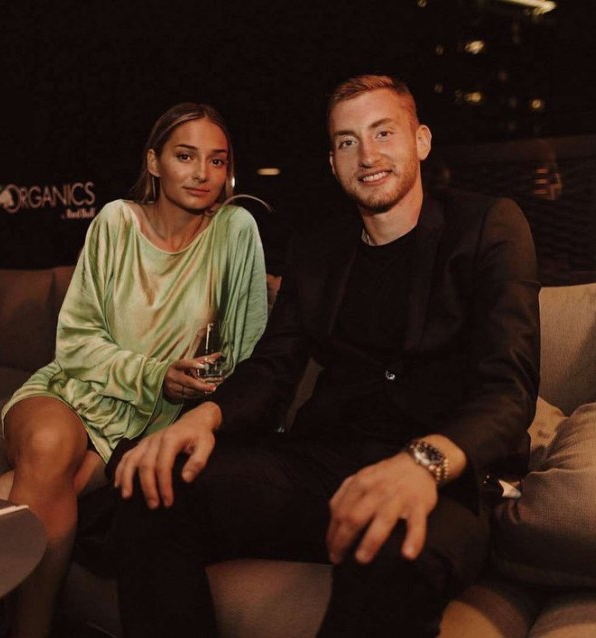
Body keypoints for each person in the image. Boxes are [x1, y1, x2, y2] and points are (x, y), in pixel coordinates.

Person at [109, 75, 540, 636]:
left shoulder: (487, 226)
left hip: (441, 477)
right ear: (333, 162)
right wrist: (202, 420)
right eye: (346, 141)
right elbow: (274, 366)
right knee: (152, 485)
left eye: (383, 132)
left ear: (422, 141)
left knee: (386, 551)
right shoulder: (317, 247)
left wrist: (421, 464)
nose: (367, 155)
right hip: (324, 466)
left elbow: (508, 390)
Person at [0, 102, 269, 635]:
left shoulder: (236, 230)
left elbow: (249, 353)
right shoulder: (116, 220)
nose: (202, 173)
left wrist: (203, 391)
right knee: (46, 448)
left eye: (216, 160)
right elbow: (74, 342)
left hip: (150, 425)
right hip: (74, 392)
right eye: (185, 156)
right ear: (155, 161)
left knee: (10, 495)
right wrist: (155, 373)